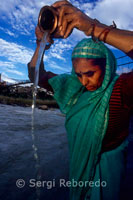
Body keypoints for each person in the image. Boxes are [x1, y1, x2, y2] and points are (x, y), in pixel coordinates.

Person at [28, 1, 133, 199]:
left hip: (108, 177)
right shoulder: (73, 89)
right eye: (78, 74)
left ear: (107, 66)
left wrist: (91, 26)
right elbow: (35, 74)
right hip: (78, 176)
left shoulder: (122, 90)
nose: (84, 81)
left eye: (90, 73)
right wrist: (40, 44)